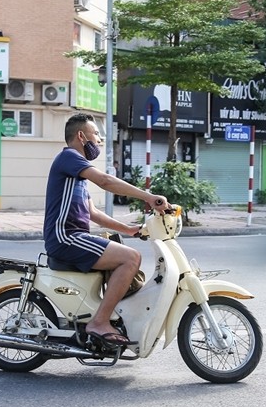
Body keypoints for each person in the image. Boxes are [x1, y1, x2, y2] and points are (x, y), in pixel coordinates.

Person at [43, 113, 170, 347]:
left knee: (124, 251)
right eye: (96, 135)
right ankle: (99, 322)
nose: (99, 140)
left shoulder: (76, 174)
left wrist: (129, 229)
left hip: (74, 236)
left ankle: (110, 316)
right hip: (65, 237)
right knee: (130, 258)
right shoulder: (70, 157)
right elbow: (105, 181)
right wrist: (149, 197)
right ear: (81, 136)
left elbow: (93, 213)